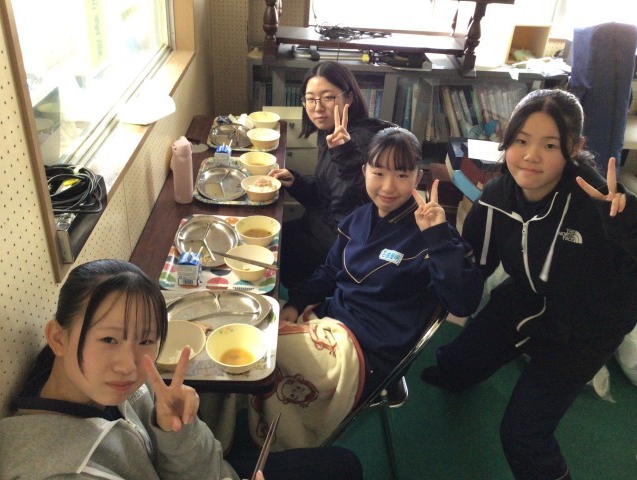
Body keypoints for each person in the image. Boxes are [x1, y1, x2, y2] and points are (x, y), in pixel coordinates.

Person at [420, 89, 637, 480]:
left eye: (549, 145)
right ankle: (459, 370)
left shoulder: (603, 205)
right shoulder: (496, 197)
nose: (531, 156)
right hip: (524, 297)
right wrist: (437, 239)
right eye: (521, 140)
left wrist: (628, 229)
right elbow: (467, 290)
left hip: (584, 329)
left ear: (575, 147)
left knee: (522, 435)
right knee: (451, 367)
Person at [0, 259, 364, 480]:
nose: (129, 365)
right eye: (108, 339)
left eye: (145, 340)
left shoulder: (100, 386)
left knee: (343, 463)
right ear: (58, 338)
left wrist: (175, 430)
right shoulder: (62, 470)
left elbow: (206, 467)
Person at [280, 127, 484, 402]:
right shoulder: (358, 218)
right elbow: (330, 272)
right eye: (378, 173)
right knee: (260, 341)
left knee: (268, 368)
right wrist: (296, 303)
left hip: (371, 355)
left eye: (402, 175)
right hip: (332, 324)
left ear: (418, 177)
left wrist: (437, 238)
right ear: (365, 171)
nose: (388, 187)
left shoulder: (434, 234)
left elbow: (463, 303)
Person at [269, 61, 395, 289]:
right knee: (271, 236)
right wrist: (295, 182)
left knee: (268, 251)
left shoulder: (357, 140)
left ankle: (302, 301)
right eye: (310, 99)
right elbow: (328, 196)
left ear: (349, 98)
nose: (317, 107)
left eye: (327, 97)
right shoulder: (333, 133)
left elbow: (363, 197)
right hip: (321, 227)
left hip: (341, 247)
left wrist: (345, 153)